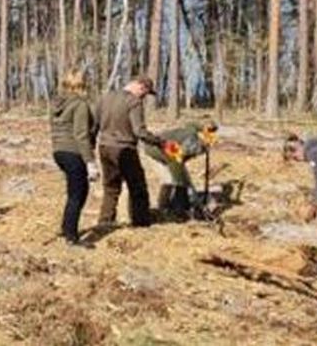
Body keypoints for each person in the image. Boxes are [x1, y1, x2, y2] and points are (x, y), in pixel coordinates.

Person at [95, 76, 164, 228]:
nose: (144, 97)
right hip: (125, 149)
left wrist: (91, 148)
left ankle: (105, 222)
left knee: (111, 187)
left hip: (105, 148)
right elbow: (139, 131)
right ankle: (141, 224)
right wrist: (159, 142)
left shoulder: (105, 98)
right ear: (141, 87)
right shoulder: (134, 102)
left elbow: (94, 125)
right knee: (137, 187)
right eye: (145, 94)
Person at [50, 70, 98, 247]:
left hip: (58, 151)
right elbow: (81, 134)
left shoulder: (57, 104)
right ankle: (71, 237)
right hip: (73, 152)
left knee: (76, 190)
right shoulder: (80, 105)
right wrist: (90, 161)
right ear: (82, 84)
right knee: (78, 192)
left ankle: (66, 226)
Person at [142, 121, 219, 218]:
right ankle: (167, 209)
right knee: (173, 181)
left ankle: (169, 207)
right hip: (156, 151)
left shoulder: (191, 132)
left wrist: (204, 127)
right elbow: (178, 162)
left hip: (164, 151)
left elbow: (192, 124)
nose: (195, 156)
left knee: (175, 179)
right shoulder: (187, 146)